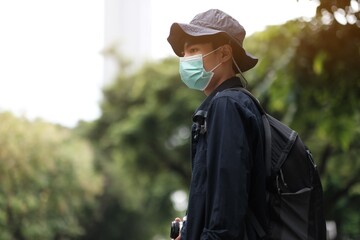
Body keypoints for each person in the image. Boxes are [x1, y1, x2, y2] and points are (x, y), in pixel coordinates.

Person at [167, 9, 267, 240]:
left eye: (193, 50)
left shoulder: (226, 105)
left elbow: (226, 212)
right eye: (184, 53)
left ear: (223, 54)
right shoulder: (231, 104)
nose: (185, 60)